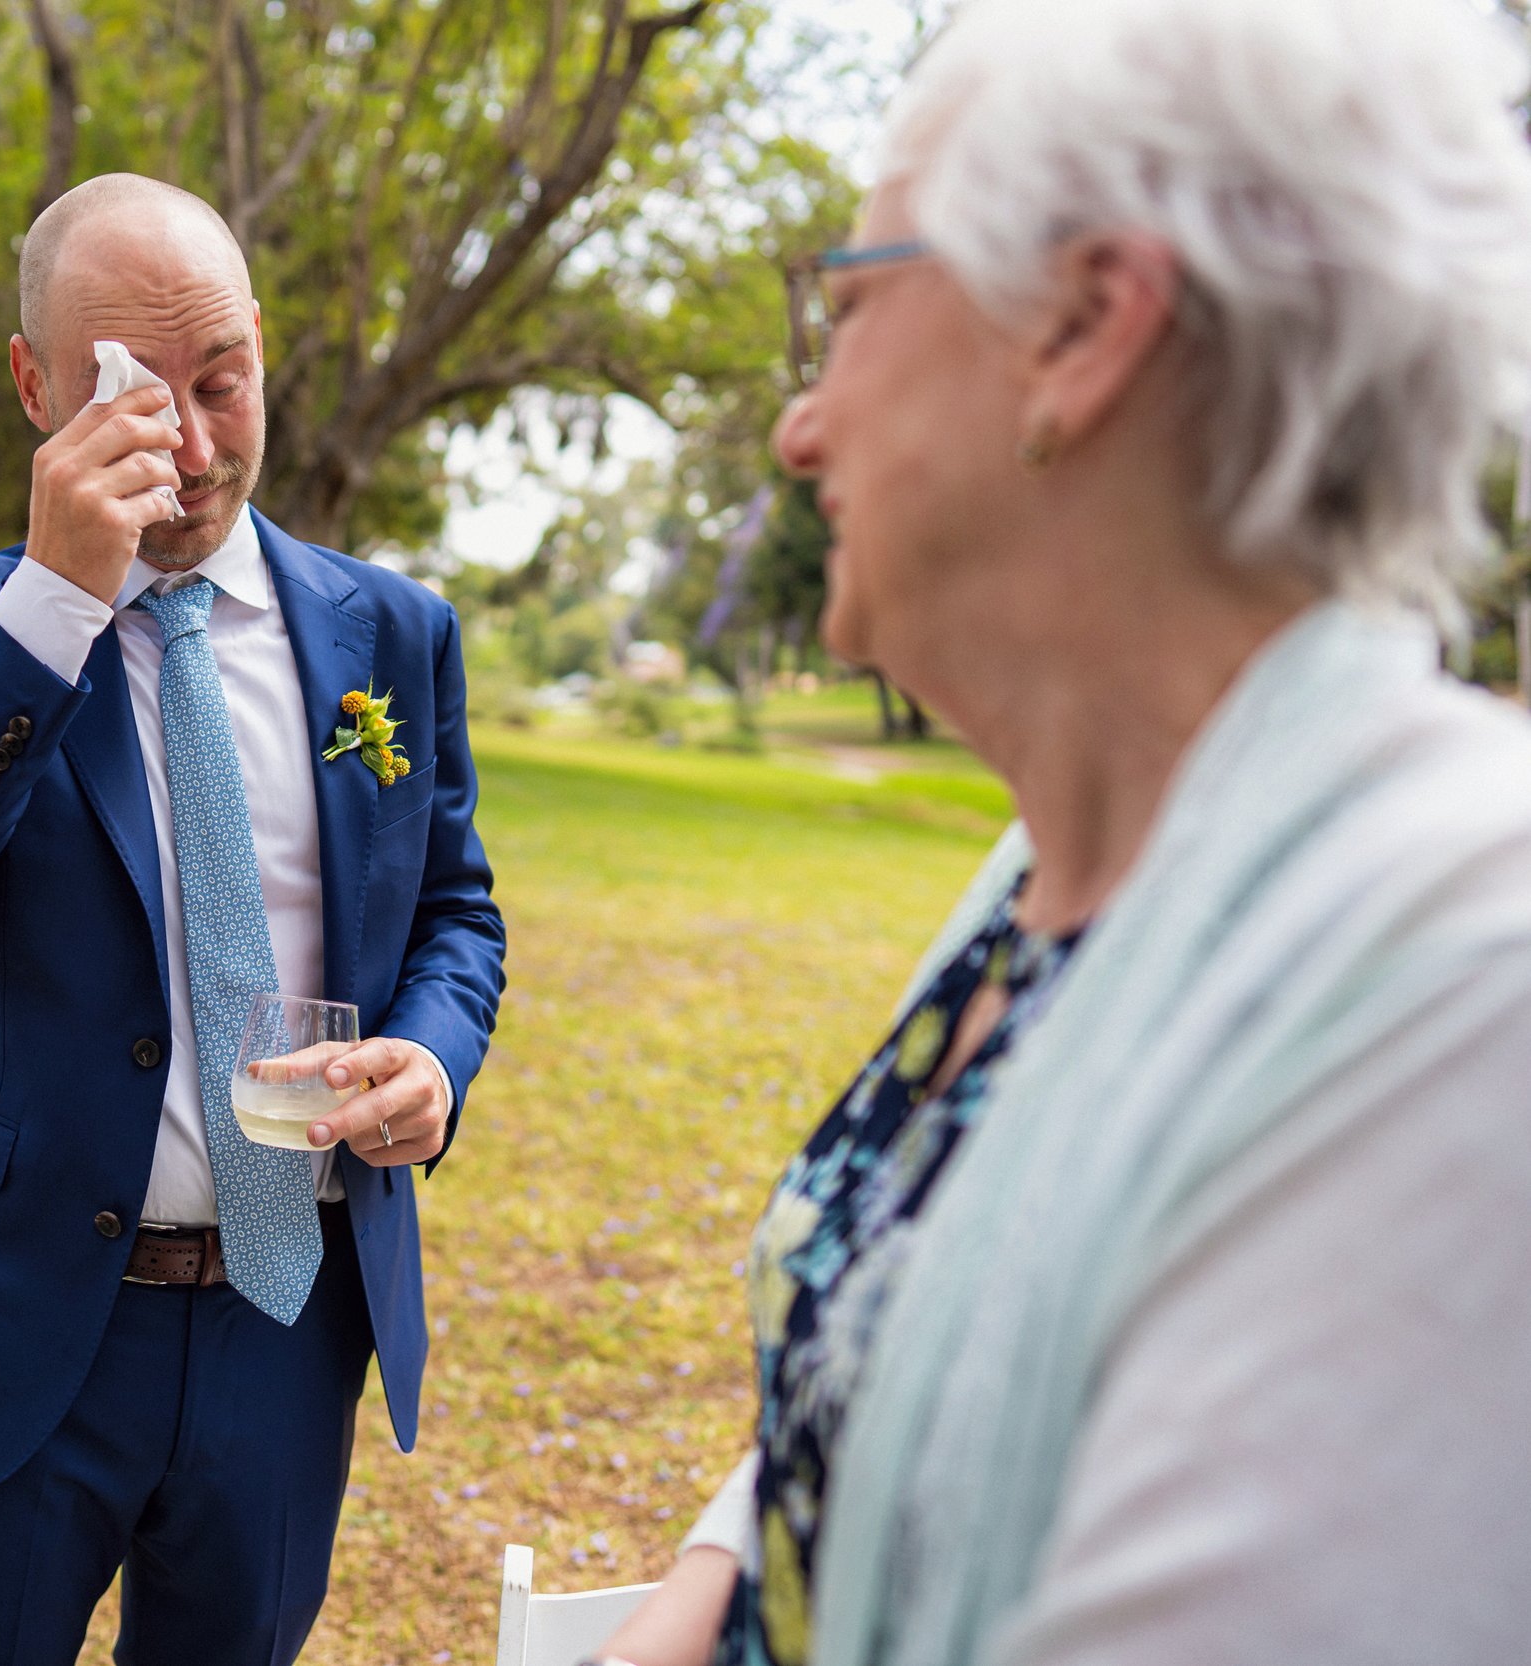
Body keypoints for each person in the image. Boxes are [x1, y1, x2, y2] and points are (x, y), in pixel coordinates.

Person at [583, 2, 1531, 1664]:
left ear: (1085, 323)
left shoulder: (1464, 985)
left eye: (852, 306)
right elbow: (906, 1334)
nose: (803, 425)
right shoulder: (1051, 878)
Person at [0, 173, 506, 1665]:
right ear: (35, 384)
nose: (190, 446)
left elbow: (457, 912)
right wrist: (57, 601)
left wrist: (433, 1064)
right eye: (133, 390)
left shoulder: (393, 633)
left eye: (222, 380)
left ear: (262, 352)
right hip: (16, 1331)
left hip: (284, 1319)